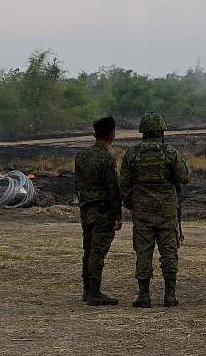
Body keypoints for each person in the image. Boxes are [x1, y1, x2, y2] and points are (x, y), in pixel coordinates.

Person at [120, 112, 192, 308]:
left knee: (143, 253)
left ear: (143, 131)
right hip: (167, 212)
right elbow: (184, 177)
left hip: (142, 212)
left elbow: (124, 184)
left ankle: (144, 295)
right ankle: (170, 294)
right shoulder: (170, 152)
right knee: (169, 252)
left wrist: (131, 204)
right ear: (161, 131)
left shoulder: (132, 154)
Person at [75, 116, 123, 306]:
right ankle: (95, 292)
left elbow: (77, 183)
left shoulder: (81, 156)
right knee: (97, 252)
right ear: (112, 135)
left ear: (94, 134)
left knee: (88, 249)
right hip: (102, 211)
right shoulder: (107, 158)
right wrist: (117, 215)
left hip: (86, 209)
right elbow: (113, 189)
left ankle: (87, 290)